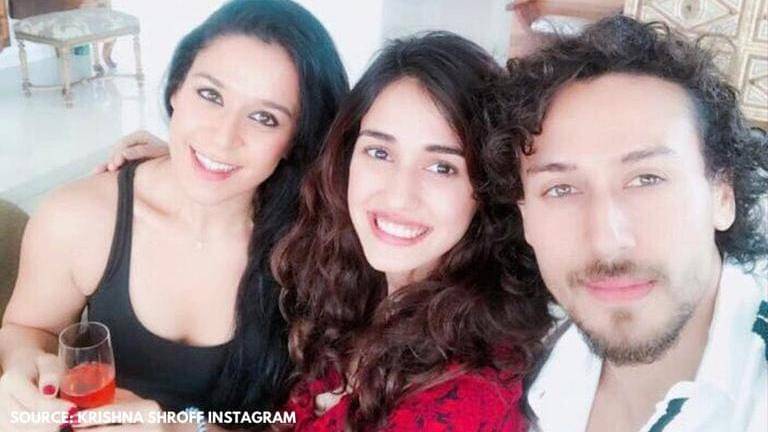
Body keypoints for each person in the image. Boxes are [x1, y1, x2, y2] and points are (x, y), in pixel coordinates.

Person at [0, 0, 348, 430]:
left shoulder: (316, 247)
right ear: (175, 90)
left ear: (296, 139)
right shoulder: (79, 217)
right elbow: (28, 326)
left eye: (264, 117)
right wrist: (26, 360)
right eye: (210, 95)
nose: (223, 137)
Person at [487, 15, 768, 432]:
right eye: (561, 189)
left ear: (723, 195)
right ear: (526, 218)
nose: (606, 240)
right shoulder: (526, 372)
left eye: (646, 179)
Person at [269, 31, 553, 431]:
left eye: (442, 167)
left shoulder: (467, 392)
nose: (399, 196)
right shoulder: (356, 300)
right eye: (379, 152)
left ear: (488, 189)